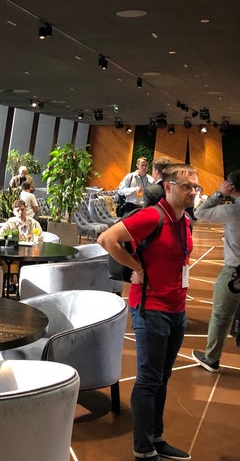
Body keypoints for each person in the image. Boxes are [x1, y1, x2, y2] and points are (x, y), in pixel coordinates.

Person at [98, 163, 198, 461]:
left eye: (196, 187)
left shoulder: (185, 220)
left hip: (177, 308)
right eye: (186, 186)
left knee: (162, 377)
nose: (193, 192)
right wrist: (137, 268)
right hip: (151, 308)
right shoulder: (153, 216)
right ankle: (143, 449)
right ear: (168, 187)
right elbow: (107, 239)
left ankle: (156, 437)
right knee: (149, 379)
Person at [192, 171, 240, 373]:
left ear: (231, 186)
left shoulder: (232, 210)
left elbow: (199, 212)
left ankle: (211, 358)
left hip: (235, 274)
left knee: (221, 317)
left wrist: (219, 194)